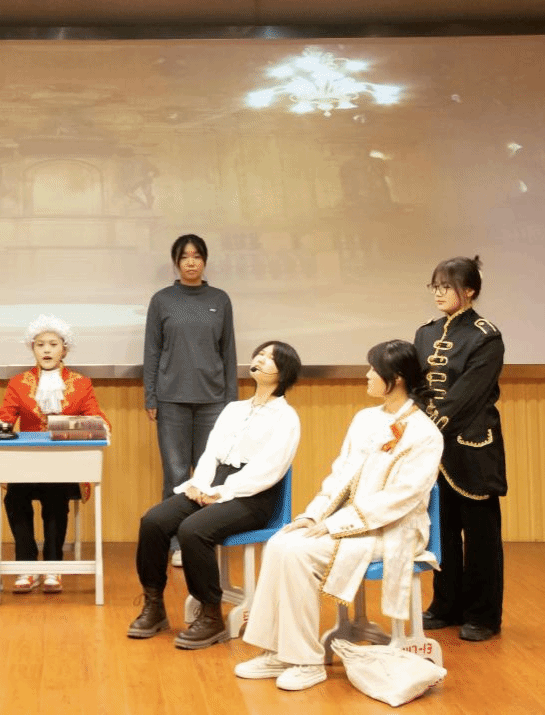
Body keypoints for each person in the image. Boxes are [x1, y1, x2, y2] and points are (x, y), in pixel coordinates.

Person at [235, 340, 442, 691]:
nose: (367, 375)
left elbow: (400, 499)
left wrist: (336, 525)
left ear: (396, 378)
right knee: (282, 540)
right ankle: (278, 651)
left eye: (373, 369)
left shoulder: (425, 433)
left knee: (299, 553)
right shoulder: (365, 419)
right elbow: (339, 474)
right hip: (351, 522)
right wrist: (313, 516)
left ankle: (306, 661)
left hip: (394, 530)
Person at [128, 341, 301, 649]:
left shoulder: (286, 417)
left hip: (254, 496)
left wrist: (223, 492)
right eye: (260, 354)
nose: (261, 359)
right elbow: (211, 453)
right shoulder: (234, 409)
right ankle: (154, 606)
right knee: (153, 521)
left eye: (271, 358)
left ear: (284, 372)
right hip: (215, 485)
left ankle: (211, 616)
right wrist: (199, 484)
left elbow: (269, 469)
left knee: (193, 529)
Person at [0, 315, 111, 594]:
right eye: (40, 344)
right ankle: (26, 565)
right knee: (14, 498)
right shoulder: (18, 383)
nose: (46, 350)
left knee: (56, 496)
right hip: (27, 464)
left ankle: (54, 565)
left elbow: (98, 420)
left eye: (53, 344)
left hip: (65, 467)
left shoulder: (81, 383)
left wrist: (90, 426)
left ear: (64, 349)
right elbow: (5, 415)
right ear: (32, 348)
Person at [415, 256, 507, 642]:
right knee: (442, 530)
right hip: (433, 449)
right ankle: (445, 605)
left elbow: (468, 395)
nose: (438, 293)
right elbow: (417, 386)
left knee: (481, 536)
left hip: (472, 446)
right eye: (434, 286)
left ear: (469, 291)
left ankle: (483, 616)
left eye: (447, 286)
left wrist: (429, 427)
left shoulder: (486, 336)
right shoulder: (425, 333)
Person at [143, 234, 238, 567]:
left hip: (214, 402)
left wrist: (232, 402)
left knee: (210, 477)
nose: (191, 262)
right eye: (184, 257)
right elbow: (152, 351)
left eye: (197, 256)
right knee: (176, 475)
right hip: (171, 401)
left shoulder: (220, 299)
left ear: (205, 261)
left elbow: (228, 352)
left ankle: (200, 540)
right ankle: (175, 544)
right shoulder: (162, 300)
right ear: (176, 263)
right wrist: (151, 395)